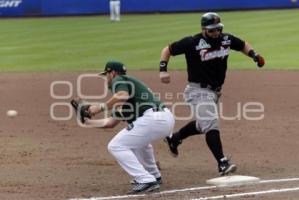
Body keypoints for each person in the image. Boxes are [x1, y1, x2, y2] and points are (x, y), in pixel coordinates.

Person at [159, 12, 265, 176]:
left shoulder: (226, 39)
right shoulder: (192, 42)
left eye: (218, 29)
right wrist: (163, 70)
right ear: (203, 29)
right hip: (197, 90)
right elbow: (167, 49)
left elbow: (243, 44)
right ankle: (222, 163)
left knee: (203, 125)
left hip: (214, 92)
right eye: (212, 30)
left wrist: (254, 55)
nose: (216, 33)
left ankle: (174, 138)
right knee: (211, 125)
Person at [85, 61, 175, 194]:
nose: (106, 79)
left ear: (113, 73)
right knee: (139, 143)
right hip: (164, 118)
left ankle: (145, 179)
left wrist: (99, 107)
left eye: (106, 75)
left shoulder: (119, 80)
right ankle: (153, 175)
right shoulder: (128, 92)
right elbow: (110, 123)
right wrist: (87, 122)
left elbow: (122, 95)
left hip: (153, 119)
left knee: (116, 146)